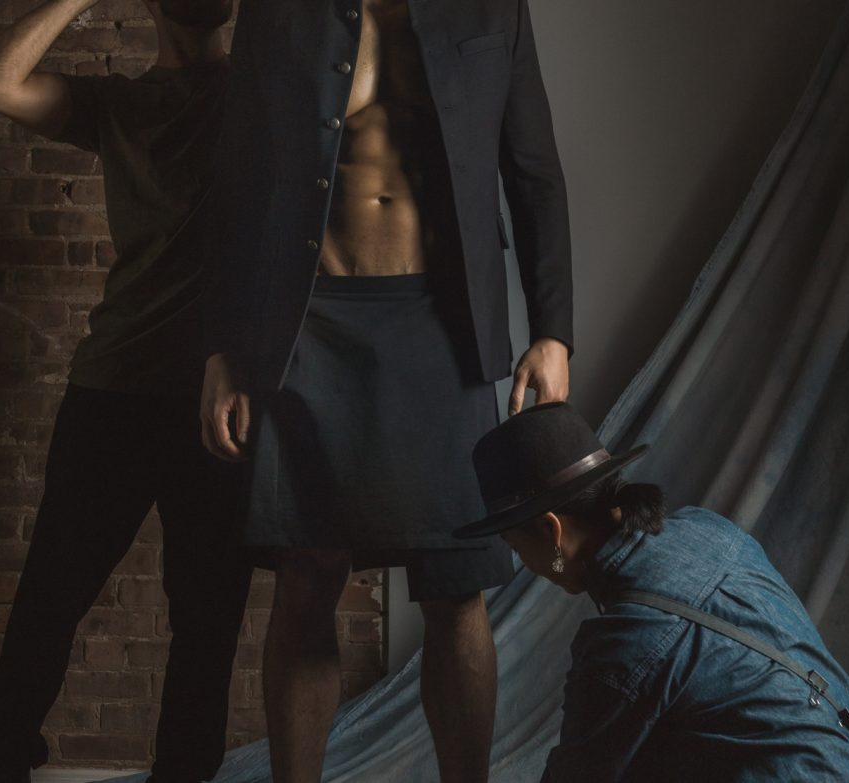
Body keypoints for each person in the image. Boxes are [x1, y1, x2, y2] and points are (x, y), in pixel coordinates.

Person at [198, 0, 572, 780]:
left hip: (442, 327)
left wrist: (553, 332)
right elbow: (237, 180)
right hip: (309, 323)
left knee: (457, 588)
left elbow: (533, 168)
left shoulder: (493, 6)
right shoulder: (278, 12)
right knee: (307, 577)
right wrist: (223, 350)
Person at [0, 2, 252, 781]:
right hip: (114, 391)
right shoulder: (118, 105)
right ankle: (4, 766)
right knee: (52, 594)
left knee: (207, 619)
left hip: (222, 403)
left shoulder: (269, 96)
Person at [455, 402, 849, 782]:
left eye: (515, 547)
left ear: (551, 530)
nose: (526, 564)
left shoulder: (622, 642)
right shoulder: (708, 528)